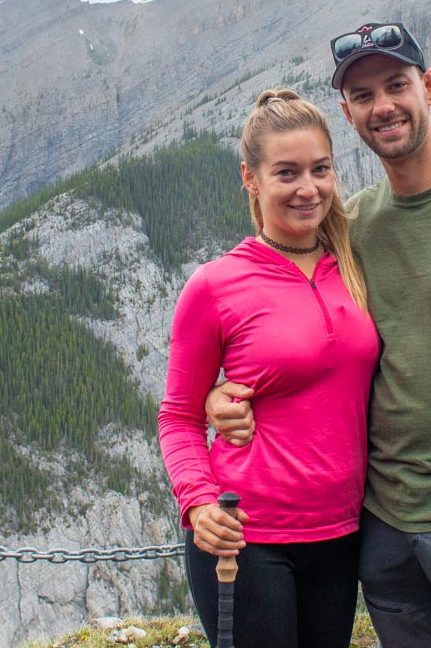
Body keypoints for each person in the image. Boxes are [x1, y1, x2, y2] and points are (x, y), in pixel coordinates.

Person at [208, 23, 431, 647]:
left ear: (430, 87)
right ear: (349, 114)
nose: (382, 105)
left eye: (396, 84)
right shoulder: (350, 227)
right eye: (362, 94)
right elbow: (299, 337)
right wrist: (225, 394)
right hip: (382, 528)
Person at [158, 89, 380, 648]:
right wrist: (198, 500)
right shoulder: (214, 286)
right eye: (287, 172)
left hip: (342, 534)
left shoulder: (354, 262)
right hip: (247, 540)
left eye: (320, 169)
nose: (308, 189)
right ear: (251, 179)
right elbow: (179, 417)